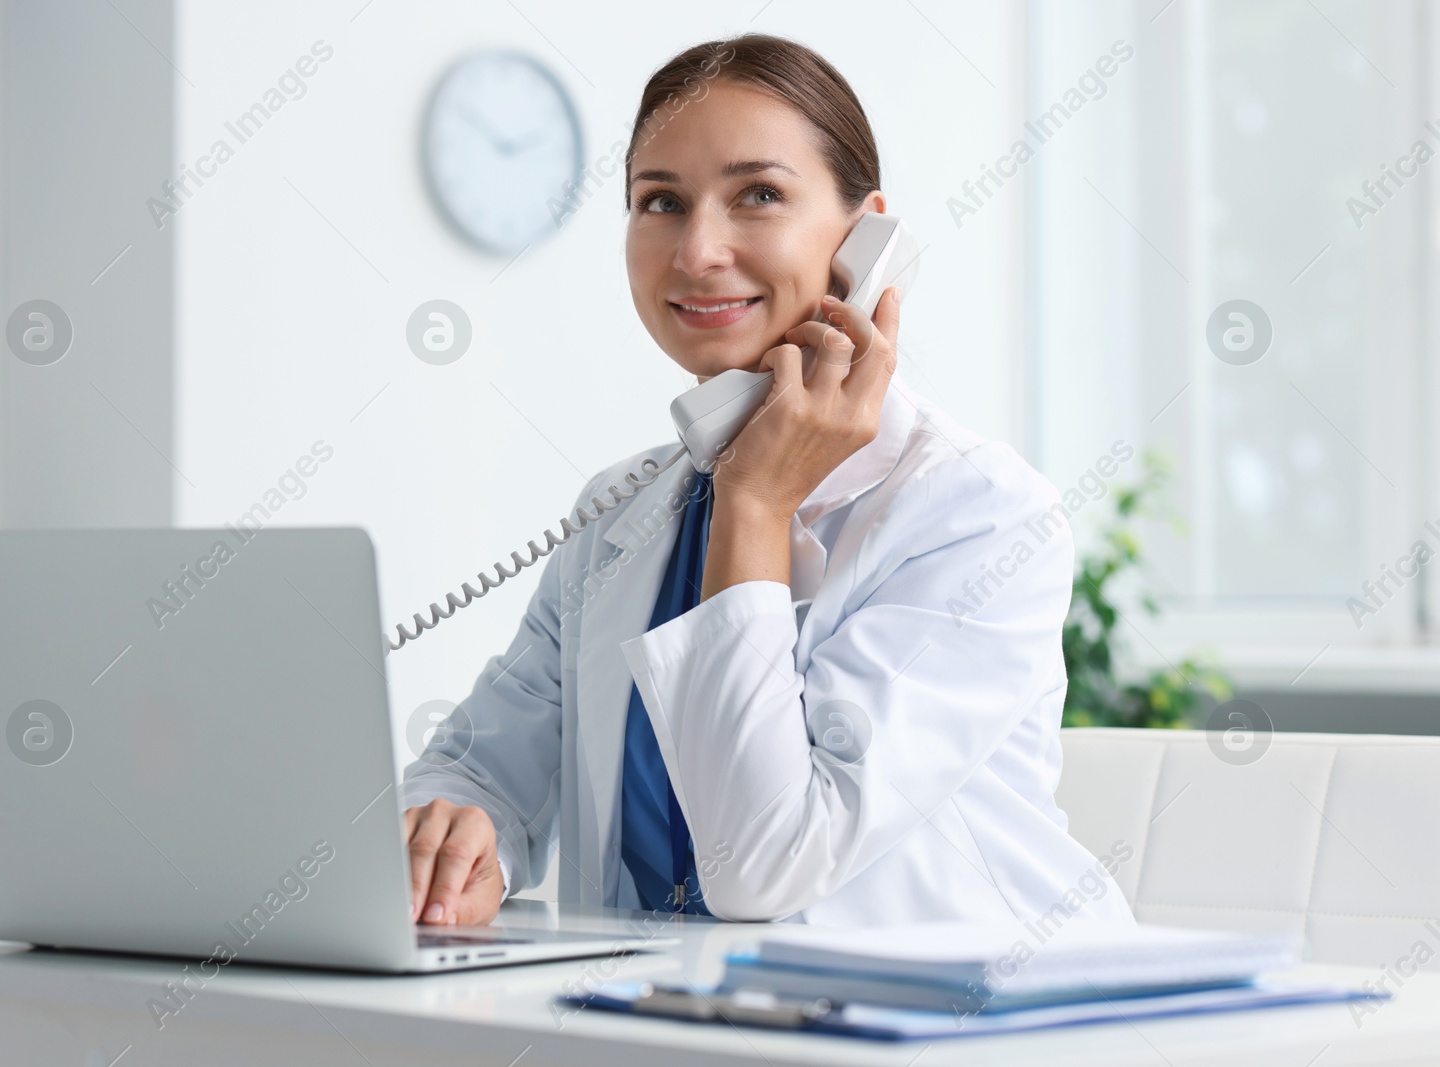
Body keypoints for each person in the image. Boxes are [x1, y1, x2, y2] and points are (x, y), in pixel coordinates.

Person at [401, 33, 1135, 928]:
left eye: (759, 194)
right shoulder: (618, 515)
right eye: (659, 201)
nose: (699, 249)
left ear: (865, 240)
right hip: (669, 1020)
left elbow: (764, 868)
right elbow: (481, 767)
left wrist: (754, 503)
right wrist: (463, 831)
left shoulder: (977, 515)